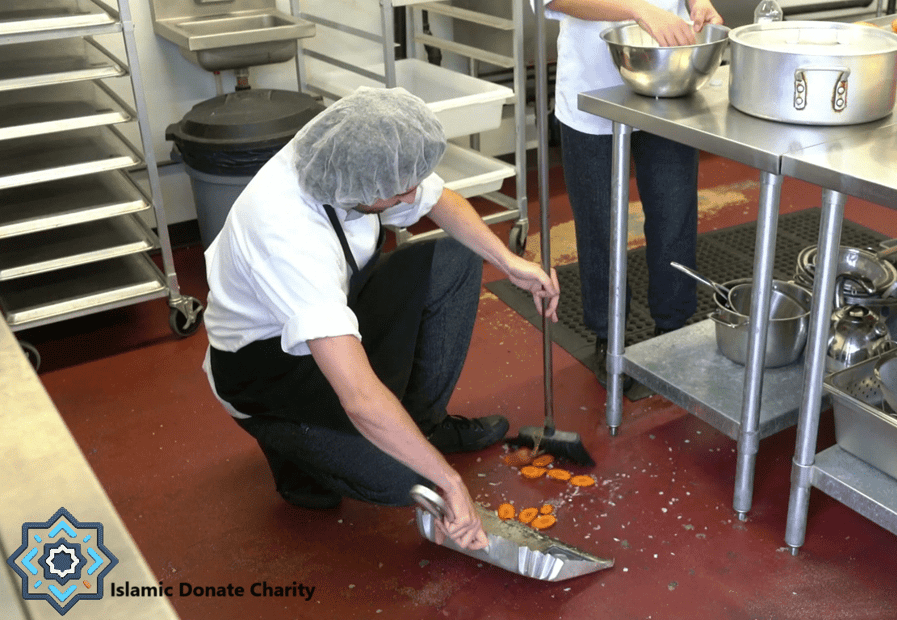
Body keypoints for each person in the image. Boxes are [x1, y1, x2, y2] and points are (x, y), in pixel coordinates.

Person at [201, 87, 560, 550]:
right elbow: (360, 397)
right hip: (269, 372)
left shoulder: (340, 154)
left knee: (457, 258)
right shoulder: (287, 235)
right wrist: (447, 480)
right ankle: (290, 447)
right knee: (407, 481)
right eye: (399, 190)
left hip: (338, 309)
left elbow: (438, 200)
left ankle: (423, 426)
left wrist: (511, 264)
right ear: (360, 188)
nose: (413, 193)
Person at [542, 0, 723, 386]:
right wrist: (640, 10)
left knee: (674, 211)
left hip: (670, 74)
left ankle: (673, 329)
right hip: (592, 84)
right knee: (600, 222)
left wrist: (698, 2)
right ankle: (610, 336)